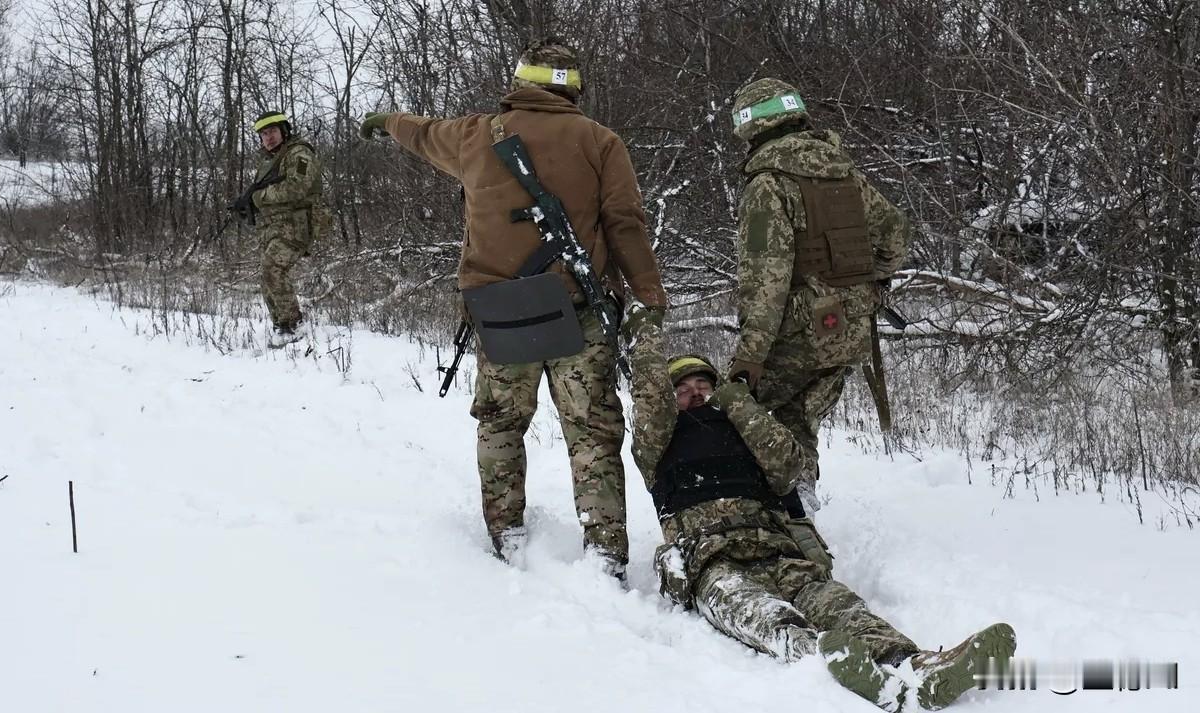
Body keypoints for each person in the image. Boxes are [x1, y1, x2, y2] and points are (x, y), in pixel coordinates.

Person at [358, 38, 667, 579]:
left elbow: (422, 133)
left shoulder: (474, 134)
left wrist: (387, 121)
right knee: (592, 432)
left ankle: (507, 537)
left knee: (500, 424)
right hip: (578, 312)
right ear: (572, 87)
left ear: (520, 81)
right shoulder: (601, 141)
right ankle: (605, 555)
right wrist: (649, 296)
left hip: (501, 314)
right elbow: (625, 225)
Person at [622, 303, 1016, 711]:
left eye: (703, 385)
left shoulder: (745, 430)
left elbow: (789, 464)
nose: (695, 394)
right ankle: (831, 662)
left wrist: (739, 404)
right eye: (682, 391)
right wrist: (644, 330)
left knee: (839, 605)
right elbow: (649, 400)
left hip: (776, 549)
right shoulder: (657, 443)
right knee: (763, 615)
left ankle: (914, 665)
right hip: (710, 559)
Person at [724, 78, 911, 509]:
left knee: (733, 412)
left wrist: (750, 357)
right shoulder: (846, 174)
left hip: (798, 333)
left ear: (751, 127)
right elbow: (896, 235)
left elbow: (765, 281)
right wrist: (870, 281)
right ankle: (800, 500)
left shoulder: (767, 185)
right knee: (801, 419)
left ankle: (743, 508)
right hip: (849, 330)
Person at [230, 110, 324, 348]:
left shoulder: (299, 153)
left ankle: (293, 325)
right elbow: (269, 195)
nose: (268, 137)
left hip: (297, 225)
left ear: (284, 131)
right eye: (263, 134)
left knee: (272, 269)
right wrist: (247, 205)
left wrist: (258, 198)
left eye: (272, 131)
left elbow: (297, 188)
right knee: (267, 276)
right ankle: (280, 325)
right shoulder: (269, 162)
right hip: (273, 228)